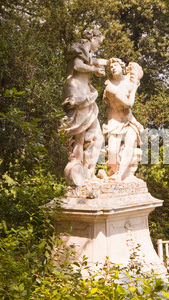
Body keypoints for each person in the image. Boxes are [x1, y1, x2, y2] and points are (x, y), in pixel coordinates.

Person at [60, 30, 107, 186]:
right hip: (77, 92)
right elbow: (78, 65)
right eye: (98, 42)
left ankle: (86, 171)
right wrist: (95, 70)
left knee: (94, 135)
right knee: (78, 135)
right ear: (92, 38)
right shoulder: (79, 48)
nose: (98, 46)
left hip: (84, 92)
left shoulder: (86, 52)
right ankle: (78, 169)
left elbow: (94, 61)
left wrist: (111, 62)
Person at [102, 58, 144, 181]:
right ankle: (113, 172)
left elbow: (137, 71)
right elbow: (129, 103)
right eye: (110, 67)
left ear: (122, 67)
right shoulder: (110, 87)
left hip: (129, 119)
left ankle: (121, 175)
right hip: (114, 119)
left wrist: (135, 78)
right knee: (113, 151)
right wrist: (135, 87)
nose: (113, 68)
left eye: (115, 65)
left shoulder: (128, 79)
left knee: (130, 144)